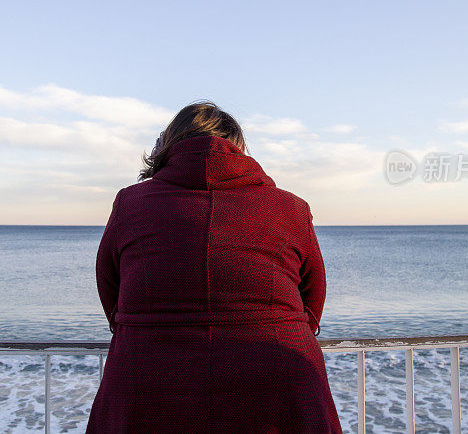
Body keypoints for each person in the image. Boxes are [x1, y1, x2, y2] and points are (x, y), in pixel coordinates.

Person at [86, 101, 343, 433]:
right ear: (238, 149)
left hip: (149, 379)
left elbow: (110, 287)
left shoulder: (130, 203)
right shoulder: (291, 207)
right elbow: (313, 297)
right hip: (277, 379)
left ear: (168, 145)